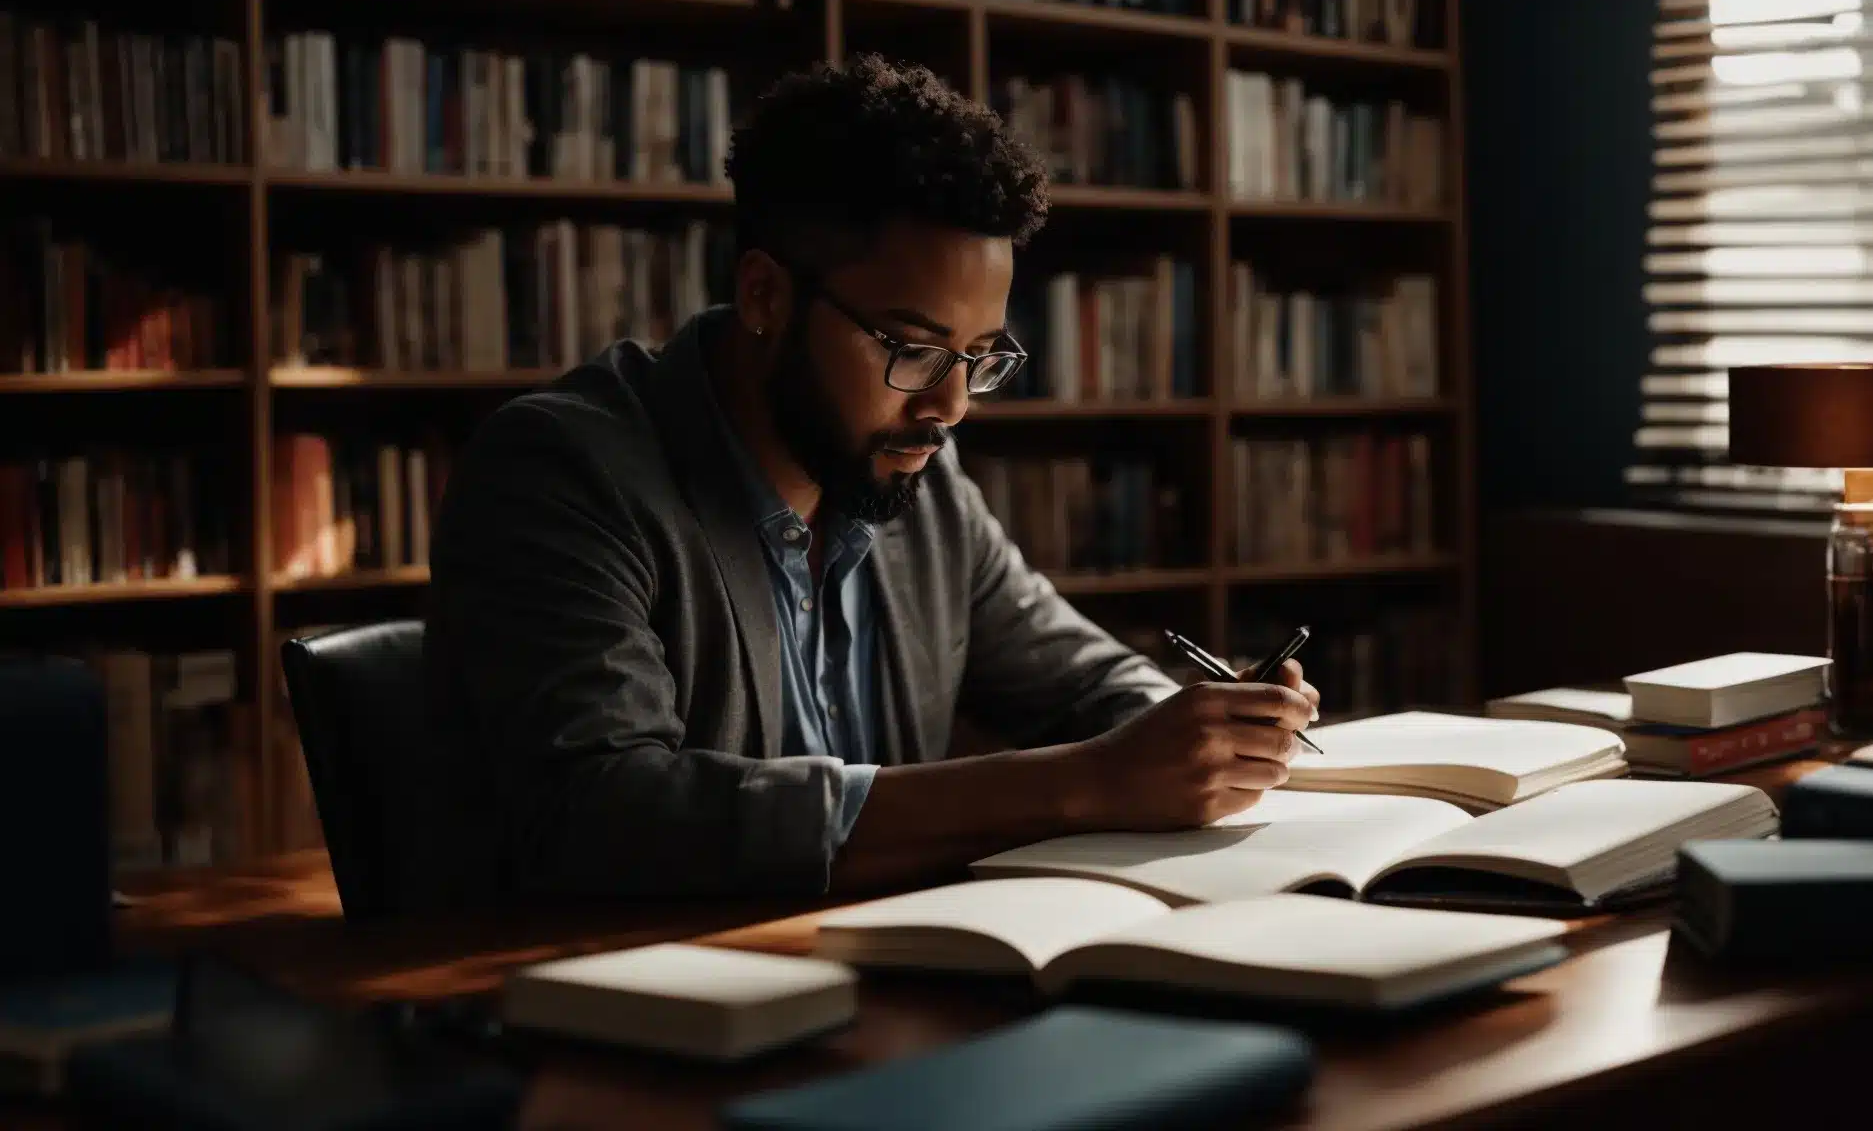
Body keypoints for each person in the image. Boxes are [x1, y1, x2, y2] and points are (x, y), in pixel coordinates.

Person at [418, 55, 1320, 910]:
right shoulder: (561, 473)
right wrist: (1082, 783)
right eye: (913, 349)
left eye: (978, 355)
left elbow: (1083, 681)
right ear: (766, 296)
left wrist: (1205, 727)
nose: (953, 404)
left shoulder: (915, 475)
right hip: (625, 1016)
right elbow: (605, 813)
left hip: (877, 975)